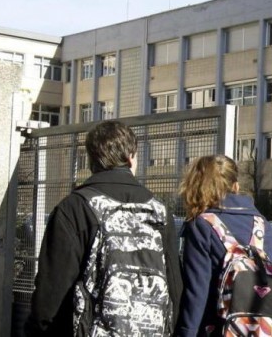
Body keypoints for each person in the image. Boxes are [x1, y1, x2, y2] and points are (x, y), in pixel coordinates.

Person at [25, 120, 182, 336]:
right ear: (131, 157)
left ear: (91, 159)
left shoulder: (75, 207)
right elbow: (174, 284)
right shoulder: (158, 210)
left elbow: (51, 291)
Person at [174, 155, 272, 337]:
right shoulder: (261, 224)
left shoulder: (201, 225)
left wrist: (186, 332)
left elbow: (197, 292)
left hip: (216, 328)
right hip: (258, 329)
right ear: (236, 186)